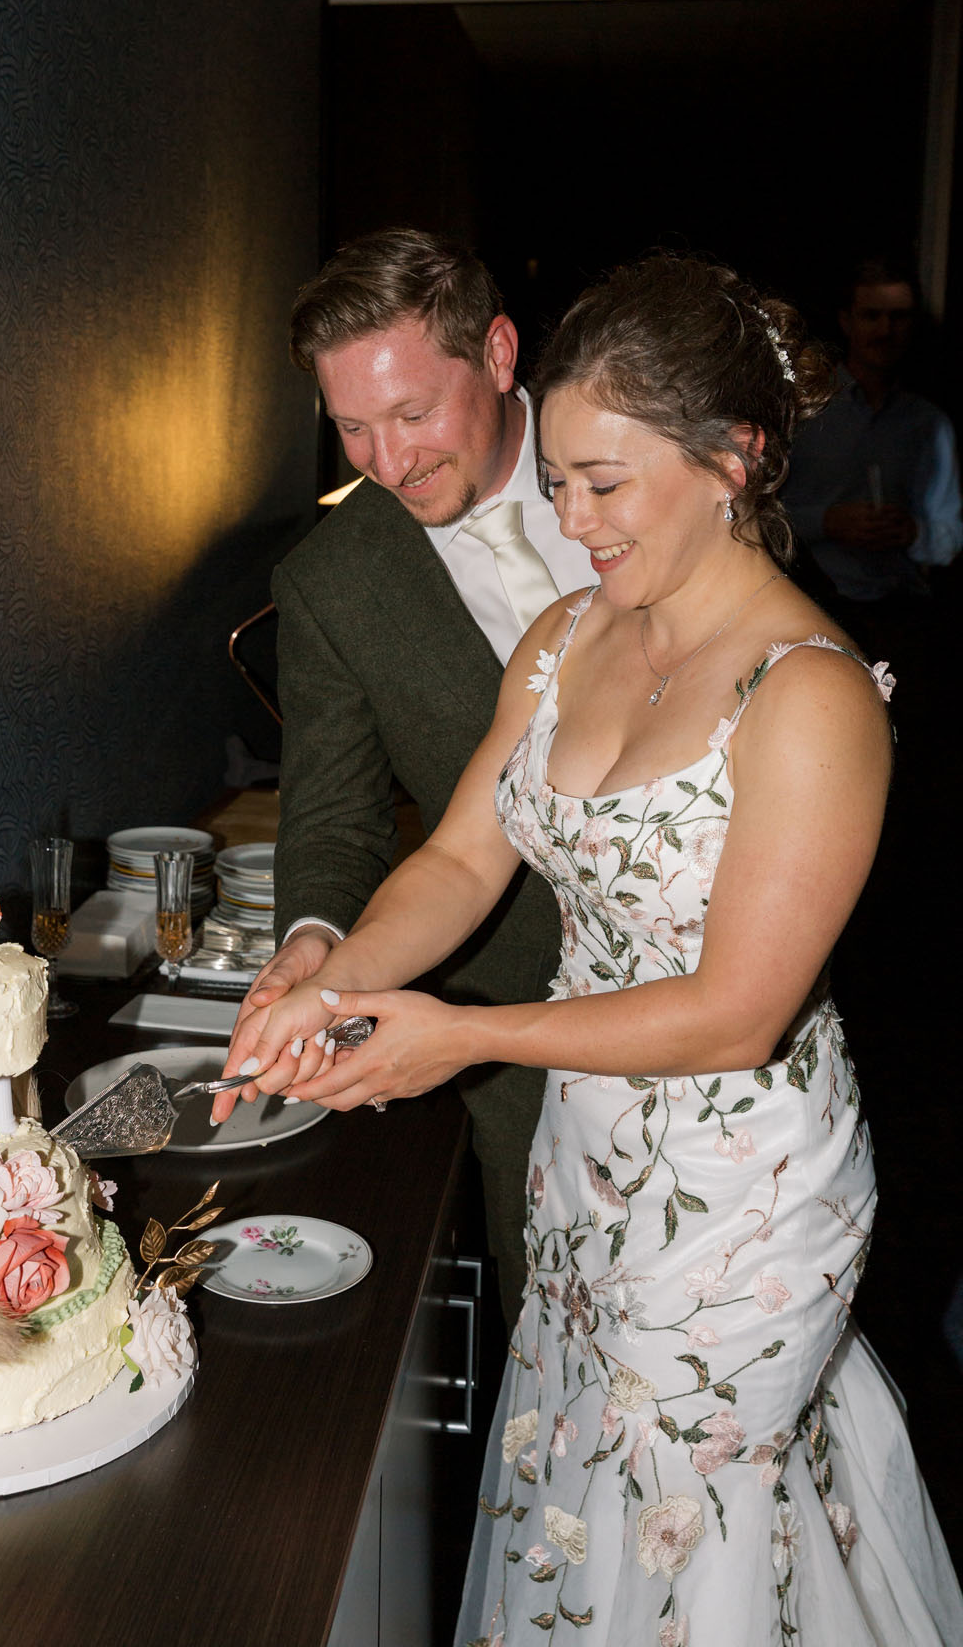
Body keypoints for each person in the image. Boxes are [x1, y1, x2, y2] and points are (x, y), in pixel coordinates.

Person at [215, 255, 962, 1645]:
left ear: (733, 457)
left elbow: (740, 1013)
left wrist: (466, 1035)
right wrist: (341, 978)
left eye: (605, 485)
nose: (571, 518)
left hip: (743, 1189)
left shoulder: (813, 698)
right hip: (588, 1156)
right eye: (556, 482)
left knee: (692, 1532)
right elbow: (455, 856)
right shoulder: (565, 640)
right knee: (582, 1499)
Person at [250, 229, 594, 1322]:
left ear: (497, 354)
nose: (385, 463)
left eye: (410, 415)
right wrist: (316, 938)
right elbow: (339, 815)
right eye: (351, 426)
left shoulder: (641, 470)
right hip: (508, 1038)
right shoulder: (331, 582)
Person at [783, 254, 962, 613]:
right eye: (872, 316)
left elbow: (950, 537)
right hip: (813, 605)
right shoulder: (803, 408)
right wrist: (827, 522)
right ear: (846, 321)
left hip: (903, 609)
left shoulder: (929, 423)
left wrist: (913, 532)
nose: (885, 330)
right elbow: (753, 515)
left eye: (898, 317)